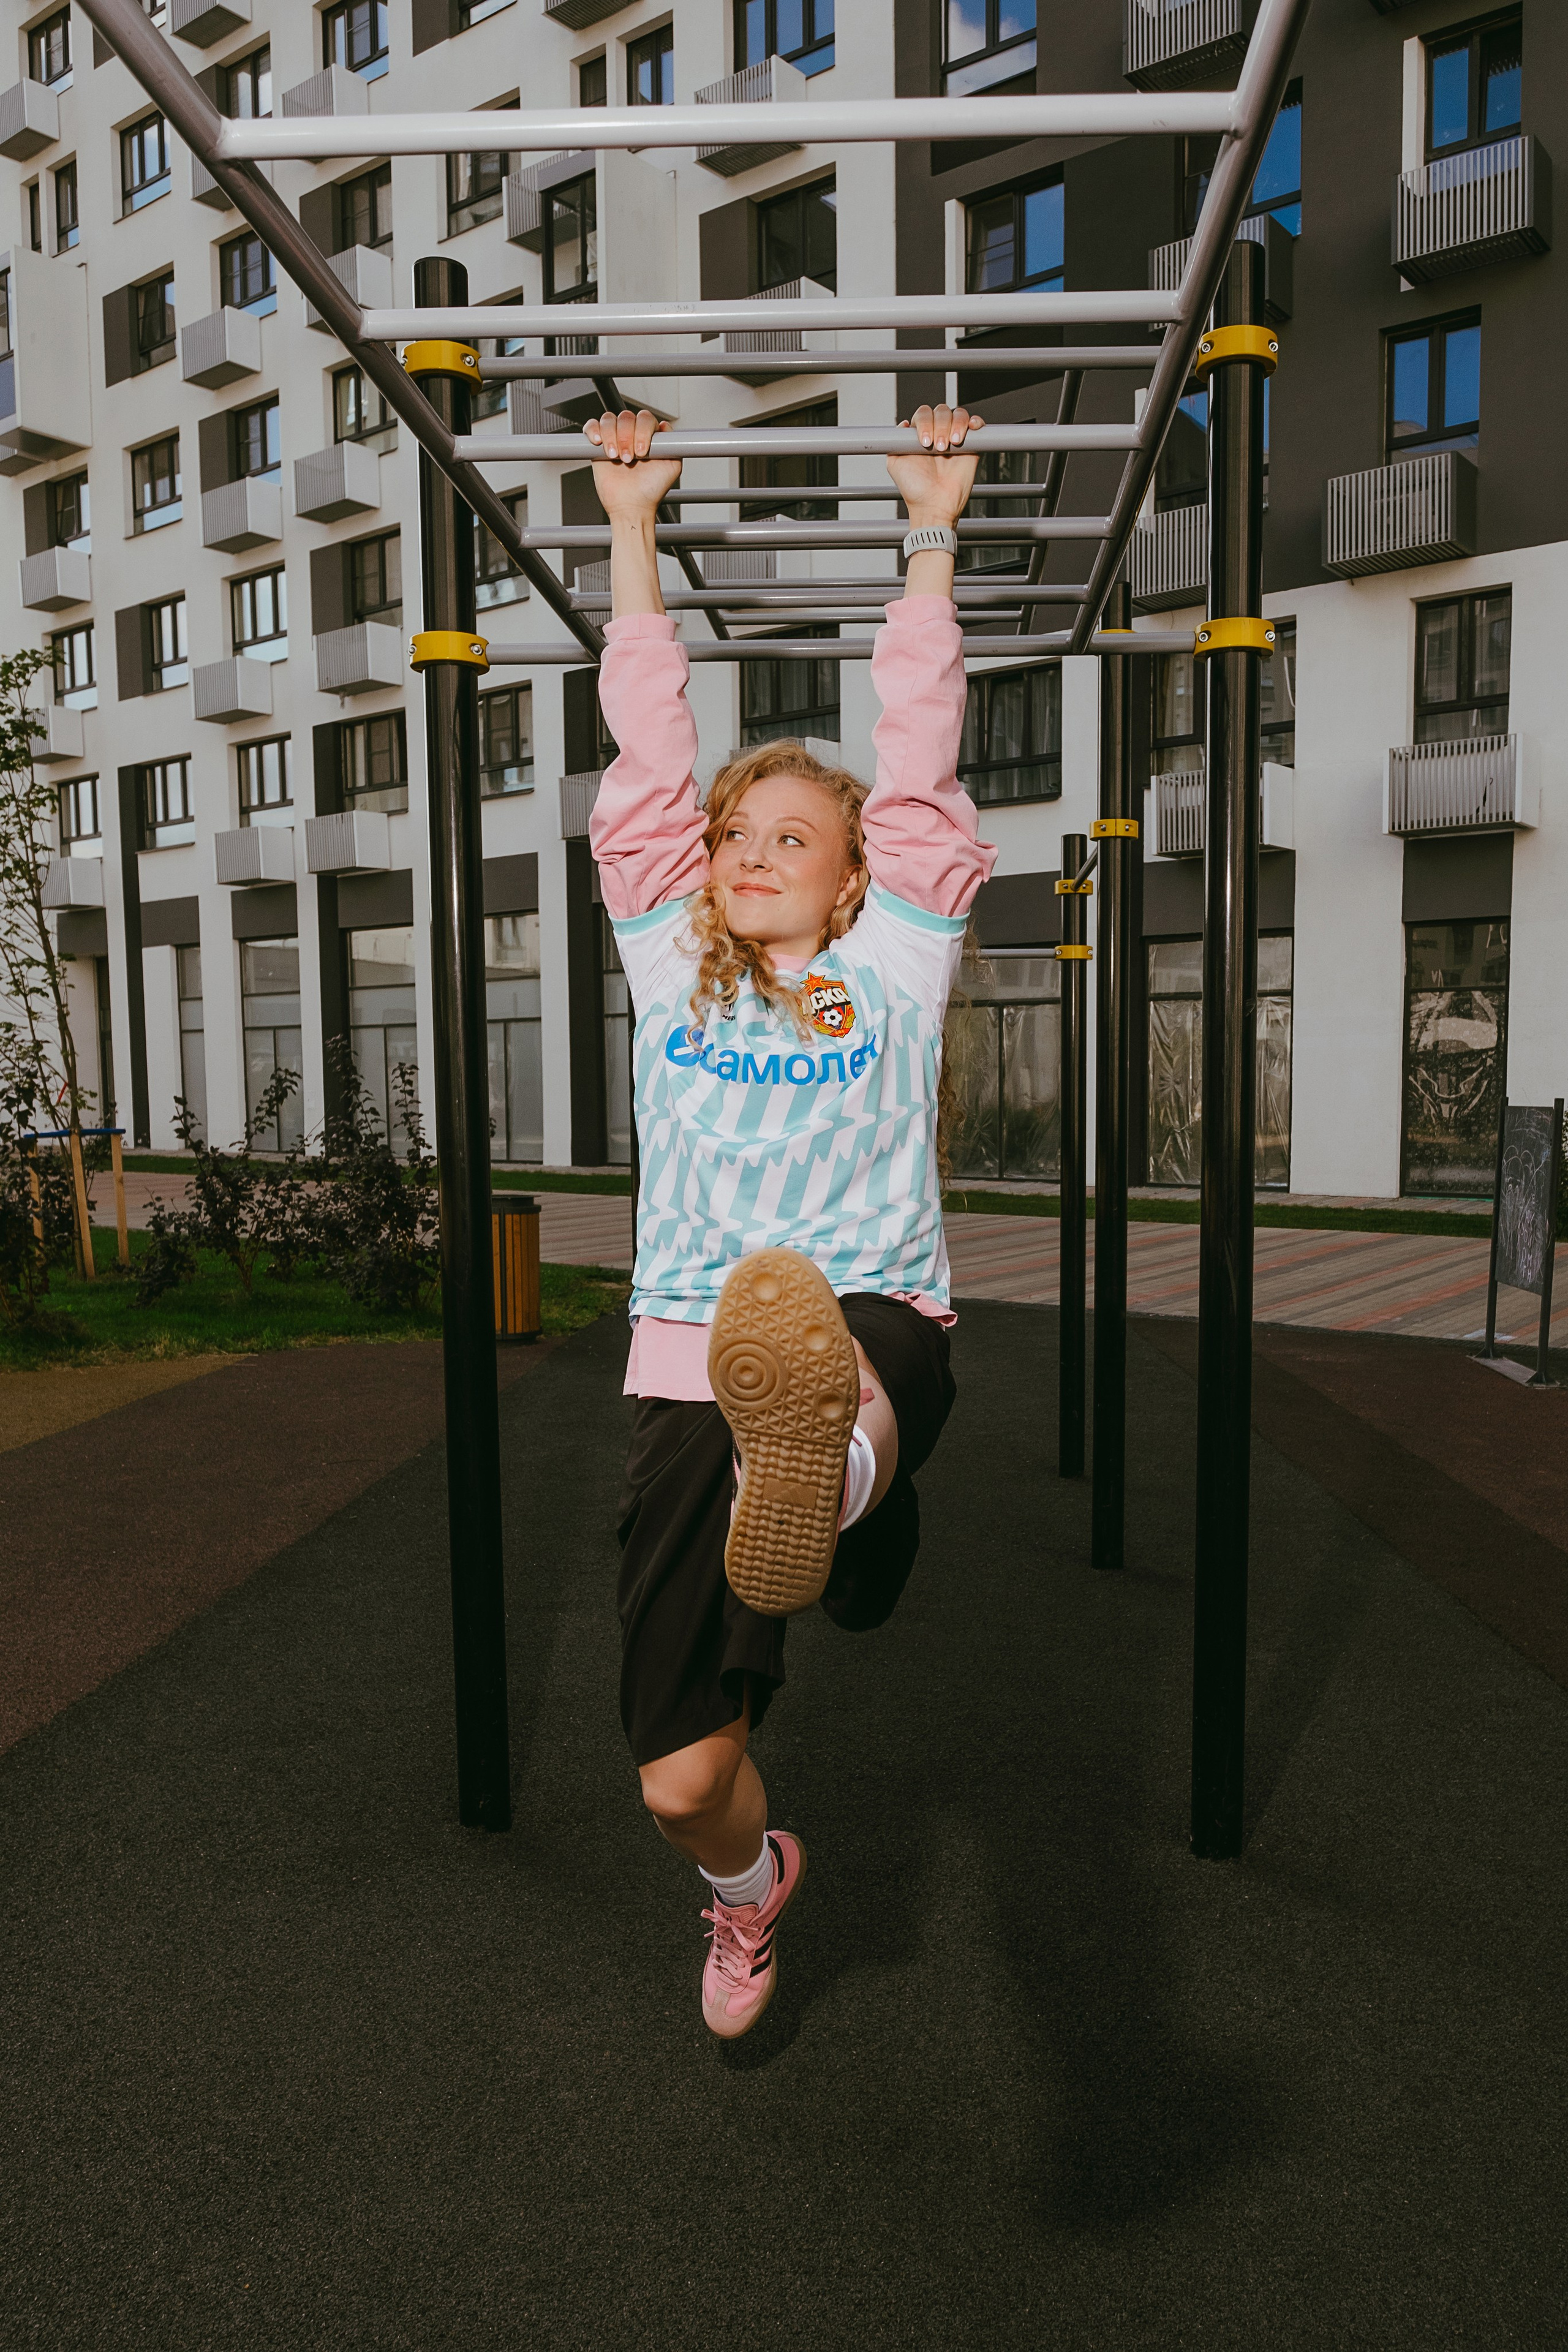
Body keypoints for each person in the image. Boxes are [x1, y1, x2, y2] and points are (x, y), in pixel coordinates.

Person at [586, 401, 995, 2039]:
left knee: (829, 1394)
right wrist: (631, 531)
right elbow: (645, 769)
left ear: (853, 884)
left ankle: (825, 1475)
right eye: (735, 837)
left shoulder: (892, 962)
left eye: (792, 840)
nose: (752, 852)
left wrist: (931, 531)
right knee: (683, 1784)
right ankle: (752, 1894)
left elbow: (916, 763)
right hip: (698, 1373)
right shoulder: (666, 966)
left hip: (875, 1320)